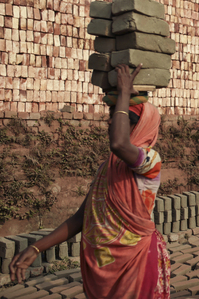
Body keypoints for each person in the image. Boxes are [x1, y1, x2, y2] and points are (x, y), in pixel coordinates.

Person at [9, 64, 171, 298]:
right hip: (102, 266)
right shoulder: (106, 168)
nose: (114, 124)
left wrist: (124, 94)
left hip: (136, 261)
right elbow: (81, 218)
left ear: (146, 125)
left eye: (126, 119)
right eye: (112, 118)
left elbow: (118, 143)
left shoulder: (150, 161)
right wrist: (36, 247)